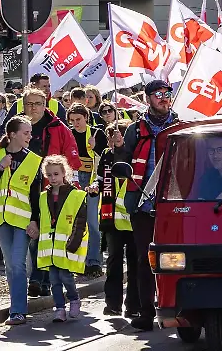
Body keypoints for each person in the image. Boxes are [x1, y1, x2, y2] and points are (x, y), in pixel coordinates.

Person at [116, 80, 179, 331]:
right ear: (148, 98)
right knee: (145, 260)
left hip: (175, 204)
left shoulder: (180, 125)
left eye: (167, 94)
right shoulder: (134, 129)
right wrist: (119, 149)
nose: (164, 98)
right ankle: (145, 311)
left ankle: (178, 307)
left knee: (176, 258)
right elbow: (124, 164)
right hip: (143, 203)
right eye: (159, 94)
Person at [0, 115, 43, 326]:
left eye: (29, 132)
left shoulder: (34, 160)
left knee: (18, 264)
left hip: (23, 220)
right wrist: (0, 167)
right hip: (0, 219)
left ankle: (18, 311)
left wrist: (36, 221)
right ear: (12, 135)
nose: (30, 136)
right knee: (10, 265)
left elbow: (36, 196)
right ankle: (16, 306)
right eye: (25, 133)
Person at [22, 88, 80, 297]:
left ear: (45, 104)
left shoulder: (58, 128)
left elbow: (72, 158)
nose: (33, 108)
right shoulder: (19, 127)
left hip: (51, 189)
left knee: (46, 235)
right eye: (29, 104)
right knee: (34, 234)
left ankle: (40, 280)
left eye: (37, 103)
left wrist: (67, 186)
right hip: (26, 189)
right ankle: (41, 280)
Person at [92, 120, 139, 318]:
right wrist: (95, 186)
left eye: (118, 136)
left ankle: (134, 305)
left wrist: (121, 148)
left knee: (136, 263)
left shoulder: (135, 155)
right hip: (112, 217)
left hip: (134, 218)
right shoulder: (105, 155)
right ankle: (113, 304)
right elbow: (101, 178)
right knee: (113, 262)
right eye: (111, 137)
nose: (114, 140)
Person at [38, 154, 88, 323]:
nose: (53, 178)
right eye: (50, 175)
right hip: (51, 249)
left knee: (66, 277)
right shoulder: (44, 197)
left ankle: (74, 299)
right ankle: (59, 308)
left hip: (67, 247)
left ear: (64, 173)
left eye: (56, 174)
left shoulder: (76, 195)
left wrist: (74, 242)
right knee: (54, 280)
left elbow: (80, 221)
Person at [66, 104, 106, 278]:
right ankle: (77, 261)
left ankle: (94, 262)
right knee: (75, 224)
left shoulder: (97, 133)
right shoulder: (68, 134)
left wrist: (96, 147)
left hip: (93, 182)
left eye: (79, 120)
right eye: (72, 120)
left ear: (86, 118)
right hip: (74, 181)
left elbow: (106, 157)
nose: (76, 123)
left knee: (92, 223)